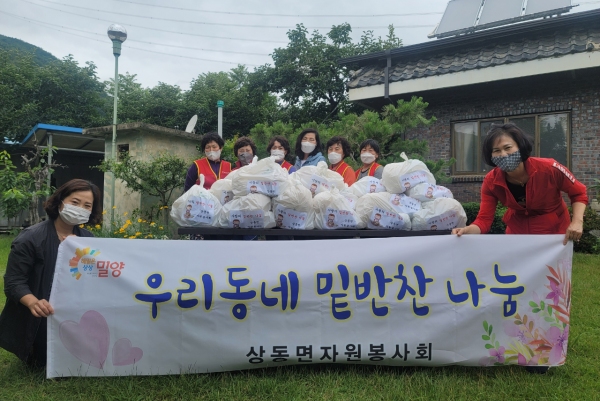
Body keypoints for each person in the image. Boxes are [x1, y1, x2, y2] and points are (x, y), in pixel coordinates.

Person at [0, 179, 102, 368]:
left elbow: (95, 276)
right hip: (42, 312)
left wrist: (78, 249)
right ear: (60, 201)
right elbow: (14, 282)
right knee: (45, 360)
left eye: (87, 206)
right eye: (75, 202)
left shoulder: (88, 240)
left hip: (74, 308)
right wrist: (33, 303)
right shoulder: (31, 238)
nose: (80, 208)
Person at [452, 123, 587, 245]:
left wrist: (577, 222)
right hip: (517, 235)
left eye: (508, 148)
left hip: (555, 234)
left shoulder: (550, 168)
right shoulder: (491, 181)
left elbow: (579, 193)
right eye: (496, 150)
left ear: (520, 146)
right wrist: (467, 230)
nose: (503, 155)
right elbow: (484, 220)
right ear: (491, 155)